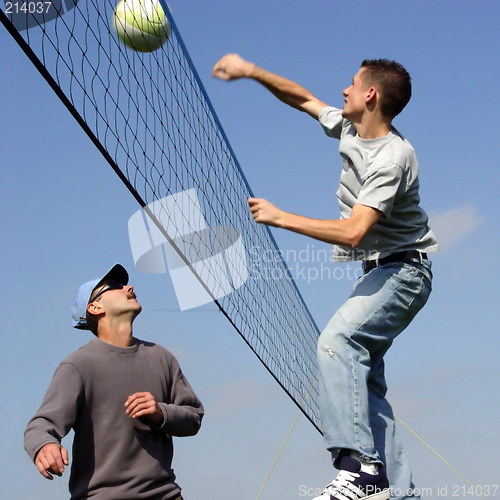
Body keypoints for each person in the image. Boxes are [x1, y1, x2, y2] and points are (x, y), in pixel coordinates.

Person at [212, 54, 438, 500]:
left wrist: (280, 217)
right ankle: (398, 488)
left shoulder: (392, 158)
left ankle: (361, 472)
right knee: (365, 382)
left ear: (370, 95)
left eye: (352, 84)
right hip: (380, 271)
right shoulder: (353, 128)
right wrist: (253, 71)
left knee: (337, 342)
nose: (343, 90)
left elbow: (355, 232)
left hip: (405, 271)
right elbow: (303, 99)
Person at [24, 264, 204, 500]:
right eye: (115, 287)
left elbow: (194, 417)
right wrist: (45, 445)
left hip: (165, 495)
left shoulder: (162, 357)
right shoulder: (78, 365)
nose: (129, 288)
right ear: (95, 307)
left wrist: (161, 413)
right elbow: (41, 425)